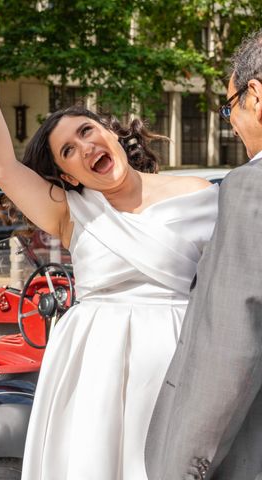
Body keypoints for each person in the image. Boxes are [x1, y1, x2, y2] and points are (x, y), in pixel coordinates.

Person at [0, 32, 219, 479]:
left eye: (87, 131)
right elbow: (2, 165)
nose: (85, 147)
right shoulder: (71, 212)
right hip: (96, 370)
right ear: (67, 176)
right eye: (68, 151)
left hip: (181, 362)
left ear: (110, 131)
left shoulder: (198, 192)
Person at [145, 30, 262, 480]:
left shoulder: (250, 187)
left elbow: (230, 346)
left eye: (228, 105)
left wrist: (183, 467)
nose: (228, 120)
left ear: (255, 95)